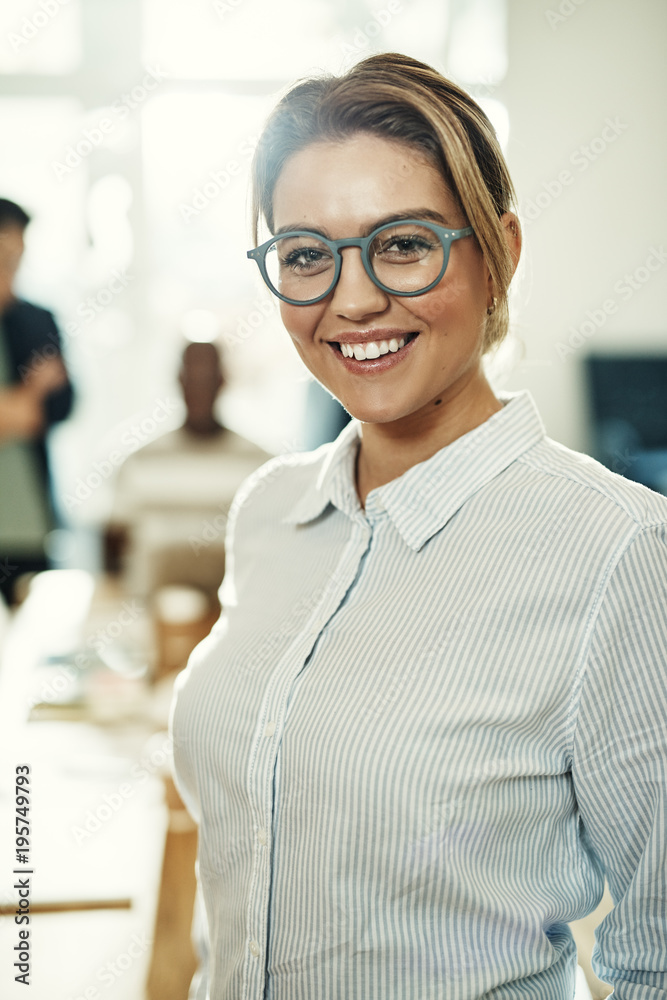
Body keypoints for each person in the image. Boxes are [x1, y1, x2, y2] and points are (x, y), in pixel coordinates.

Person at [170, 53, 667, 1000]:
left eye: (401, 244)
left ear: (499, 254)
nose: (351, 302)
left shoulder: (618, 553)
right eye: (307, 254)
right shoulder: (270, 512)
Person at [107, 340, 270, 602]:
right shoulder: (140, 461)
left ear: (222, 381)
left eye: (207, 378)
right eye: (192, 378)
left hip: (236, 613)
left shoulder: (260, 464)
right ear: (179, 381)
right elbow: (113, 548)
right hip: (152, 615)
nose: (199, 388)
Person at [0, 198, 73, 604]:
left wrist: (20, 408)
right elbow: (29, 409)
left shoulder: (35, 320)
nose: (11, 273)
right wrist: (28, 396)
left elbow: (58, 406)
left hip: (28, 530)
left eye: (17, 260)